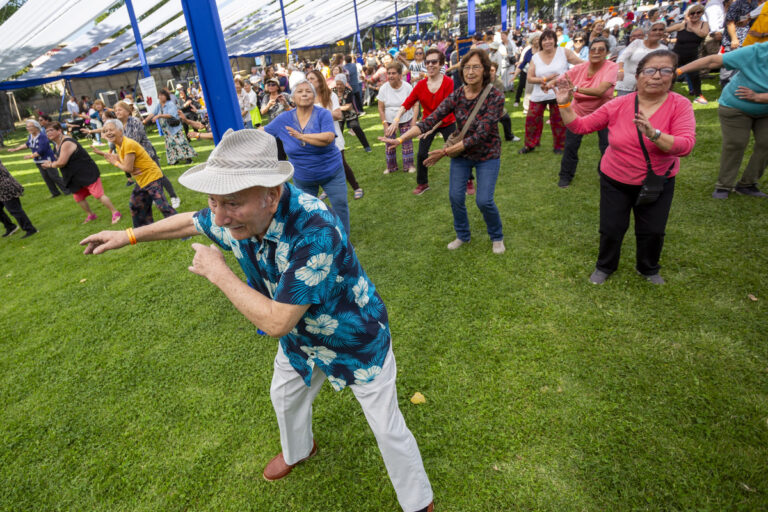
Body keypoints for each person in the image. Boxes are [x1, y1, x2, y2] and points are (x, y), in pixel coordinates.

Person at [79, 129, 435, 512]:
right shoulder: (238, 215)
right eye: (213, 201)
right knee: (284, 396)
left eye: (231, 203)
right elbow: (190, 222)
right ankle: (299, 450)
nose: (219, 217)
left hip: (355, 336)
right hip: (302, 339)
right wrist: (129, 235)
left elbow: (278, 321)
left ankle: (418, 502)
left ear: (272, 195)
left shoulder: (315, 230)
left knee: (386, 425)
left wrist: (218, 272)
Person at [554, 50, 696, 284]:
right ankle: (605, 266)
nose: (657, 76)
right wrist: (564, 104)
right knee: (611, 228)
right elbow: (580, 126)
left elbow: (685, 146)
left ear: (673, 76)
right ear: (638, 76)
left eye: (665, 70)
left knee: (653, 230)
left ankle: (648, 268)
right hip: (615, 179)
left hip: (657, 181)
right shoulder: (619, 104)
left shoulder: (680, 105)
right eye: (650, 70)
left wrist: (654, 134)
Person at [379, 49, 507, 255]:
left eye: (476, 67)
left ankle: (497, 236)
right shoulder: (458, 94)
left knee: (484, 200)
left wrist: (445, 152)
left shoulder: (496, 97)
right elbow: (430, 120)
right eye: (466, 67)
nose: (470, 71)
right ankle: (462, 235)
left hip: (487, 155)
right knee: (455, 197)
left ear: (484, 70)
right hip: (462, 157)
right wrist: (401, 139)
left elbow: (480, 135)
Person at [677, 42, 768, 198]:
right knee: (736, 143)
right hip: (735, 106)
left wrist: (760, 97)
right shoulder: (756, 51)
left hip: (765, 109)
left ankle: (748, 184)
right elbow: (712, 61)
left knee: (766, 144)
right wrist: (678, 71)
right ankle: (723, 186)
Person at [263, 79, 350, 237]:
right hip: (303, 176)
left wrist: (302, 136)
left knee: (340, 205)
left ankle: (343, 241)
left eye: (308, 91)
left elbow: (328, 138)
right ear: (293, 98)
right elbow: (263, 132)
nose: (304, 94)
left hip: (331, 171)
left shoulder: (323, 114)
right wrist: (238, 135)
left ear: (314, 97)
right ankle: (312, 241)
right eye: (300, 91)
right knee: (305, 211)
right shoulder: (283, 119)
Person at [553, 37, 618, 188]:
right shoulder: (582, 67)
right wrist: (550, 82)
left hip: (603, 113)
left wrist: (576, 88)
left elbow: (600, 91)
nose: (596, 52)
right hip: (578, 112)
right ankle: (565, 176)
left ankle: (605, 173)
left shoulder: (611, 67)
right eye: (593, 49)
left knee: (607, 146)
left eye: (601, 49)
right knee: (571, 145)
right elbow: (563, 78)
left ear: (607, 52)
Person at [390, 48, 456, 195]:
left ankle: (467, 179)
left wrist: (431, 129)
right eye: (428, 62)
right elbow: (407, 103)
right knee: (421, 154)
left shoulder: (448, 82)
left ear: (441, 64)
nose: (430, 65)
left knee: (456, 151)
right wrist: (396, 119)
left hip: (447, 121)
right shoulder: (420, 85)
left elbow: (448, 110)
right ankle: (423, 184)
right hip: (427, 123)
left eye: (434, 62)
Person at [41, 122, 122, 224]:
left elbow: (61, 162)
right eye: (47, 131)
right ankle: (91, 215)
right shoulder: (56, 144)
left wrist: (50, 165)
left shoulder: (66, 142)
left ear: (59, 130)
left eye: (51, 130)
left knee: (98, 194)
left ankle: (115, 213)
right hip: (74, 175)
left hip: (86, 172)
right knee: (78, 197)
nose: (48, 133)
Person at [519, 29, 583, 155]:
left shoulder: (563, 52)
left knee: (559, 121)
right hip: (539, 94)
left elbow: (581, 64)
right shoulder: (535, 57)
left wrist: (600, 64)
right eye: (544, 39)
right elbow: (530, 78)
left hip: (559, 94)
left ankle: (560, 146)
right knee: (532, 120)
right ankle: (530, 145)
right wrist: (544, 79)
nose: (547, 42)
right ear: (541, 42)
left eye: (550, 38)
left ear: (555, 40)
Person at [111, 100, 181, 209]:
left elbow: (134, 141)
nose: (117, 112)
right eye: (115, 111)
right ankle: (156, 197)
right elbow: (116, 139)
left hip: (147, 154)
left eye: (120, 110)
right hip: (134, 157)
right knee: (146, 178)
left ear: (128, 111)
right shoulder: (119, 126)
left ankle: (174, 197)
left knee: (159, 176)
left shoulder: (134, 122)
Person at [306, 71, 364, 201]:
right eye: (307, 79)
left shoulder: (330, 95)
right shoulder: (308, 98)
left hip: (333, 135)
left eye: (312, 79)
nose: (309, 81)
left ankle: (356, 187)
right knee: (322, 164)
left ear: (319, 80)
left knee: (341, 163)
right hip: (317, 137)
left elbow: (338, 115)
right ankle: (327, 189)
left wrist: (318, 115)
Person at [7, 119, 69, 198]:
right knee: (46, 178)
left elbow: (42, 150)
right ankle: (55, 193)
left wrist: (31, 156)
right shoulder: (30, 136)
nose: (28, 128)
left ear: (36, 127)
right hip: (38, 161)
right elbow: (27, 144)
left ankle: (67, 190)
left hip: (47, 160)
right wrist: (16, 149)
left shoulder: (43, 136)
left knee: (54, 176)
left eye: (30, 126)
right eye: (27, 127)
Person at [378, 62, 416, 174]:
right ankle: (391, 167)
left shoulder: (407, 87)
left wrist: (413, 121)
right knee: (389, 143)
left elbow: (415, 104)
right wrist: (385, 124)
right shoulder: (383, 88)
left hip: (406, 118)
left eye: (393, 73)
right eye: (389, 73)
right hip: (389, 120)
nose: (390, 76)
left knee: (407, 142)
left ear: (400, 75)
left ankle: (409, 165)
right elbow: (380, 108)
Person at [667, 5, 710, 104]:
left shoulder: (704, 24)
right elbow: (666, 30)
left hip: (692, 55)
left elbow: (703, 34)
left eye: (698, 13)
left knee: (695, 76)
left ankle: (698, 96)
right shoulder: (683, 25)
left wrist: (692, 27)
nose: (695, 15)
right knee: (670, 75)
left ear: (702, 13)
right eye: (692, 13)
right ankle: (665, 95)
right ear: (688, 14)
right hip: (677, 55)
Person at [145, 88, 197, 166]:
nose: (161, 97)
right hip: (166, 130)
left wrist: (159, 116)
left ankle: (188, 158)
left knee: (180, 143)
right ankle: (174, 160)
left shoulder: (170, 104)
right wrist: (144, 121)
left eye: (163, 95)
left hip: (174, 128)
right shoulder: (159, 105)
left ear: (166, 96)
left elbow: (170, 115)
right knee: (170, 145)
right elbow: (152, 114)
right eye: (160, 95)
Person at [616, 22, 668, 96]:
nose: (658, 32)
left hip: (647, 85)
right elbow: (622, 57)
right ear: (648, 32)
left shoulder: (664, 49)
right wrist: (620, 70)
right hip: (627, 84)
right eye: (654, 30)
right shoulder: (637, 43)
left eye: (661, 30)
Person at [334, 73, 371, 154]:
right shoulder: (333, 91)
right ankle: (337, 149)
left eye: (341, 84)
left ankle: (367, 147)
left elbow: (349, 107)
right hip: (339, 115)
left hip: (350, 114)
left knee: (356, 128)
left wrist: (337, 107)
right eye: (337, 84)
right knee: (338, 131)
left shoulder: (348, 91)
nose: (339, 86)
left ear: (344, 83)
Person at [0, 158, 37, 239]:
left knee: (14, 210)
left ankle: (30, 229)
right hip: (3, 187)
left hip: (5, 187)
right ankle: (10, 227)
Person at [489, 62, 519, 143]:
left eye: (492, 70)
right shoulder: (482, 80)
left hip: (495, 105)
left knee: (506, 118)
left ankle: (509, 136)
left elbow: (500, 98)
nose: (490, 72)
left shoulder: (499, 82)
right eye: (489, 70)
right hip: (483, 106)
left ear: (496, 71)